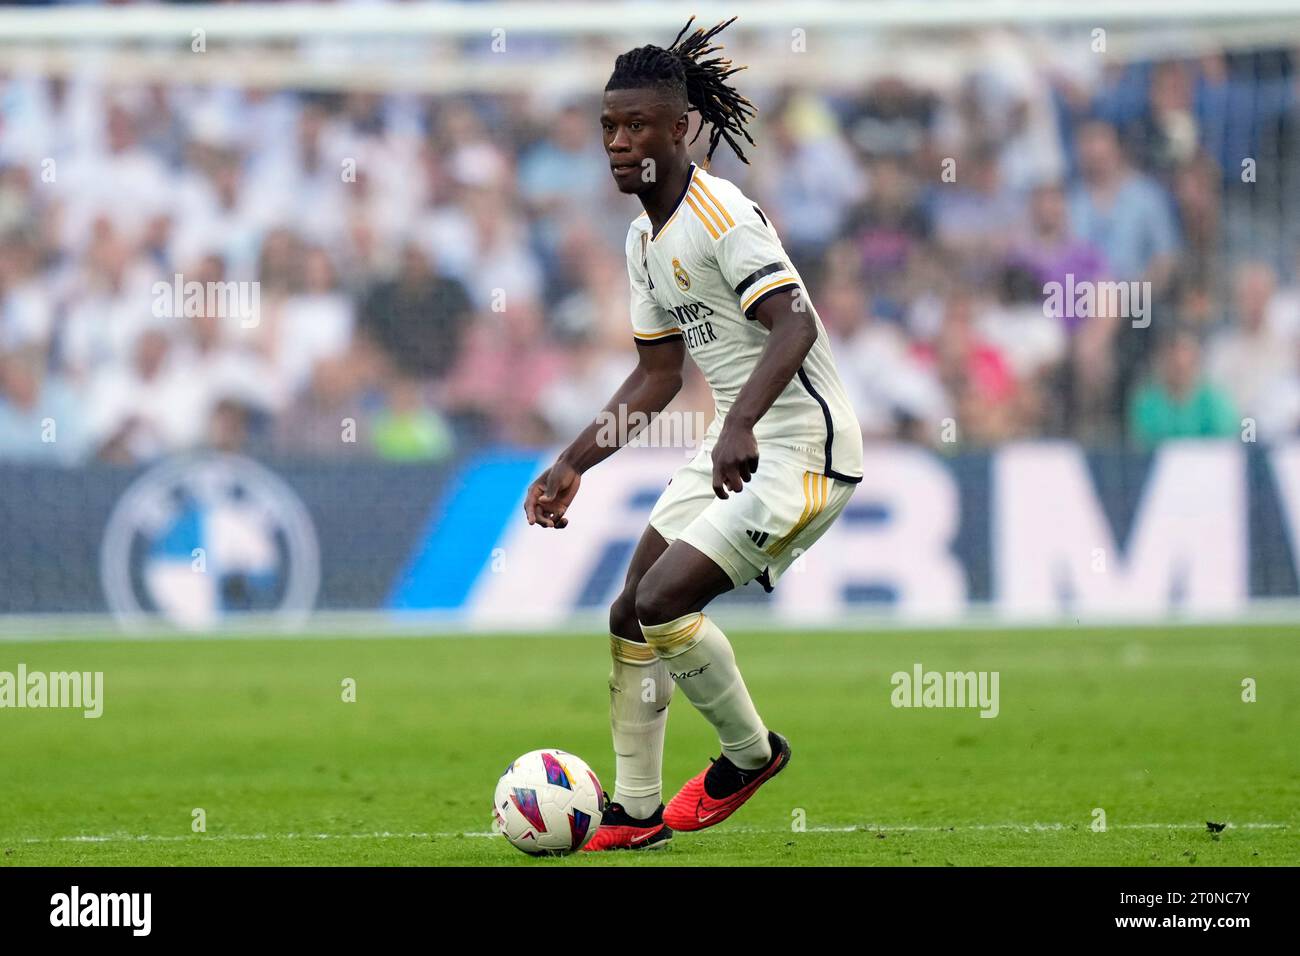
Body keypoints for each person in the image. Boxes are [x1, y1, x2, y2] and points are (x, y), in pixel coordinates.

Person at [523, 17, 864, 850]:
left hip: (802, 456)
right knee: (628, 613)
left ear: (680, 129)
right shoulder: (645, 237)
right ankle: (637, 812)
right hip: (737, 445)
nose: (618, 141)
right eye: (607, 126)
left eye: (636, 124)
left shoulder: (724, 216)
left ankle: (750, 756)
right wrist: (573, 463)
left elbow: (794, 326)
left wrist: (739, 421)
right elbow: (656, 377)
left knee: (664, 600)